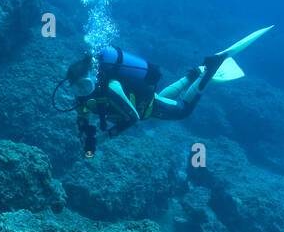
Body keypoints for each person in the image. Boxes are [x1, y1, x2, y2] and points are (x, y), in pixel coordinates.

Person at [59, 27, 273, 158]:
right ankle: (195, 74)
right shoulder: (82, 99)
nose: (82, 91)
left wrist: (106, 137)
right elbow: (83, 119)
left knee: (183, 111)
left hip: (146, 108)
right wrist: (85, 137)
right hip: (147, 103)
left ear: (94, 77)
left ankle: (211, 69)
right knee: (158, 98)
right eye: (77, 87)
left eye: (86, 84)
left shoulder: (111, 89)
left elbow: (133, 117)